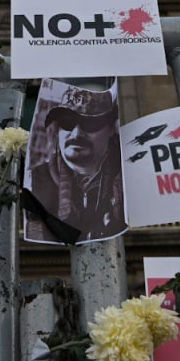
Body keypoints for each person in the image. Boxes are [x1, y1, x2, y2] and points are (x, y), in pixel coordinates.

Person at [25, 85, 125, 243]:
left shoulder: (128, 176)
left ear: (112, 128)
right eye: (67, 122)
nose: (77, 133)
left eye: (91, 123)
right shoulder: (33, 181)